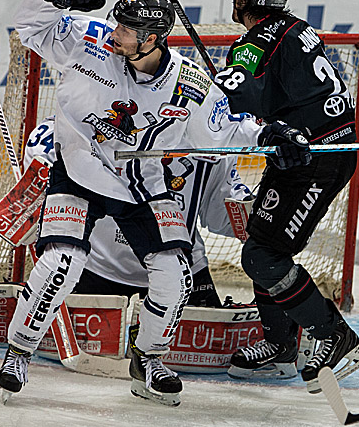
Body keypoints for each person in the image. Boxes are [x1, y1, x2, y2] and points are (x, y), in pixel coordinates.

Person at [0, 0, 264, 407]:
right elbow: (31, 26)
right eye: (115, 23)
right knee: (61, 262)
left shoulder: (189, 83)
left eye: (125, 29)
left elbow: (224, 134)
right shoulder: (92, 41)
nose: (114, 31)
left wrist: (270, 134)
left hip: (142, 184)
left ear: (152, 39)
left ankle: (149, 359)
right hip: (79, 170)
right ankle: (19, 352)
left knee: (175, 274)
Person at [213, 0, 359, 393]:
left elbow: (235, 94)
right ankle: (281, 345)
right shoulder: (295, 28)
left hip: (315, 160)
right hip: (304, 153)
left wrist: (219, 86)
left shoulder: (255, 42)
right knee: (261, 243)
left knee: (263, 257)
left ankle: (333, 334)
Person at [22, 115, 253, 307]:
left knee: (206, 347)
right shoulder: (108, 116)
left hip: (182, 270)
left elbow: (220, 214)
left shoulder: (211, 137)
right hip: (96, 266)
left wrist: (258, 216)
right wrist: (44, 173)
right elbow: (49, 135)